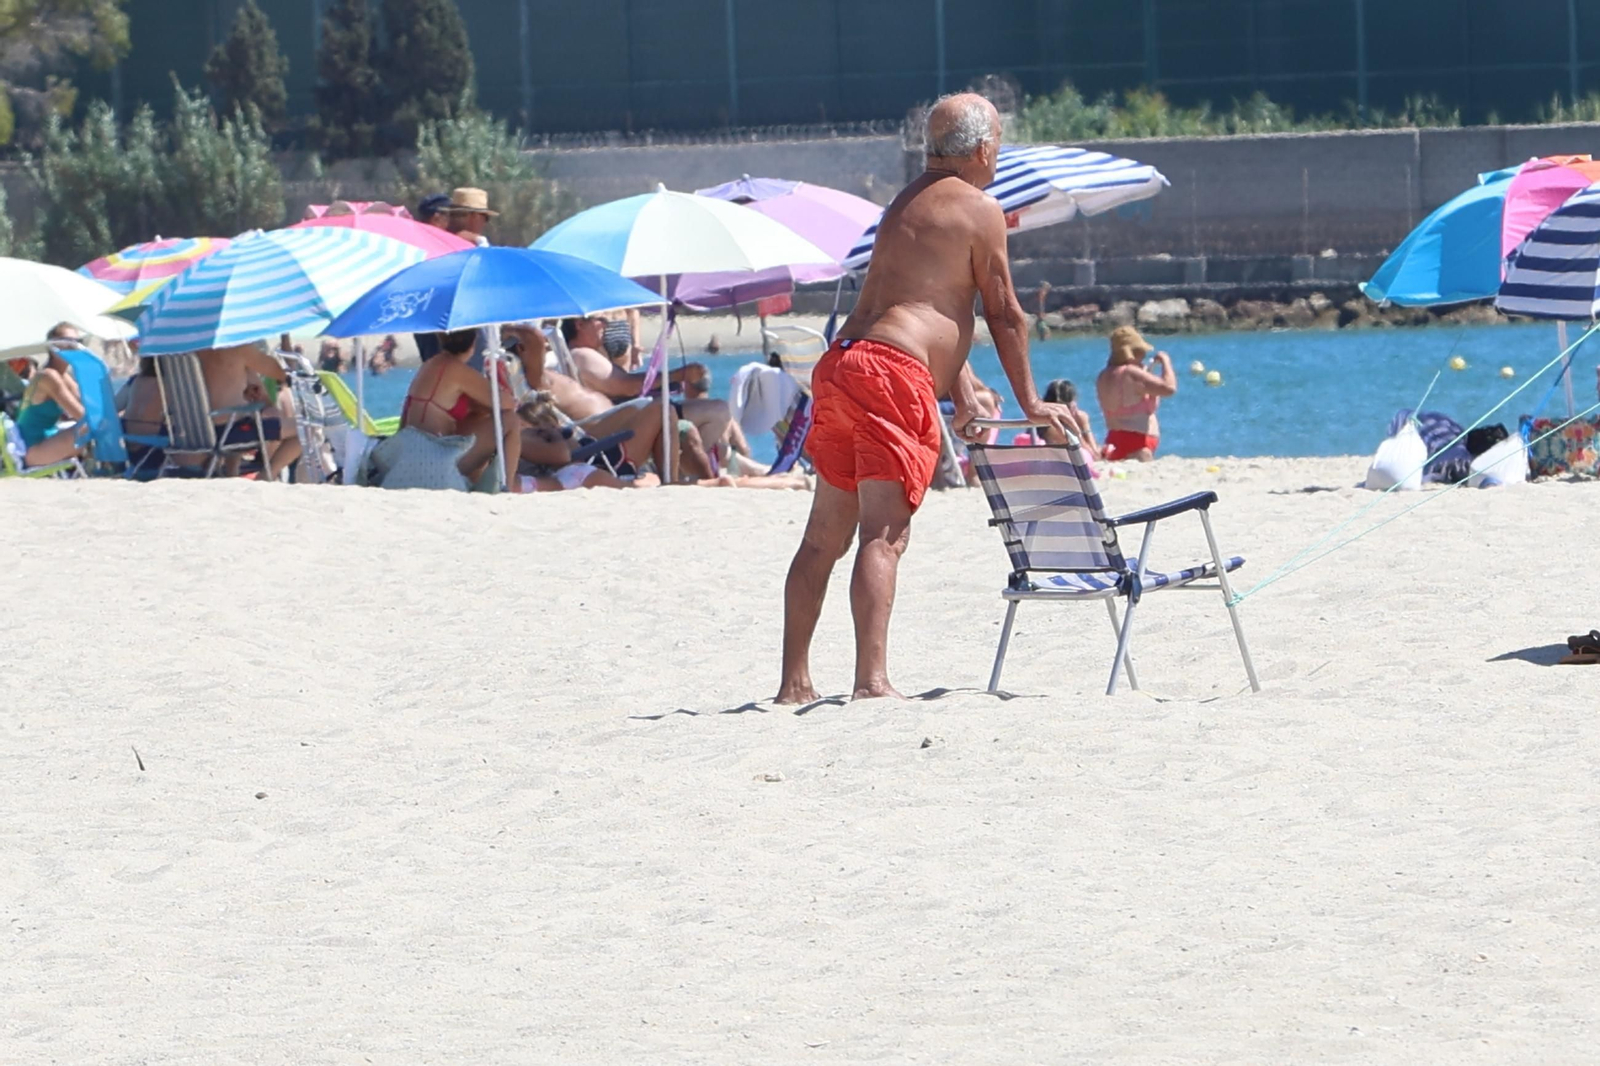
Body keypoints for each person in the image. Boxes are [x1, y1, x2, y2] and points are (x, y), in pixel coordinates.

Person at [775, 93, 1073, 704]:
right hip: (890, 375)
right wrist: (1032, 403)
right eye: (998, 144)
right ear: (984, 148)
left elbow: (930, 304)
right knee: (883, 537)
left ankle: (793, 683)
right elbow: (1002, 313)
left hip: (843, 365)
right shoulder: (979, 207)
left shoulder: (904, 202)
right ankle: (871, 683)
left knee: (820, 540)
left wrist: (960, 391)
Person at [503, 323, 709, 481]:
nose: (604, 323)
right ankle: (670, 482)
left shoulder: (532, 388)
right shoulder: (534, 386)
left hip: (594, 441)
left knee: (674, 418)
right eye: (598, 319)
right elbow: (536, 339)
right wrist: (512, 328)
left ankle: (680, 481)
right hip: (602, 457)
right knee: (664, 409)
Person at [561, 315, 743, 468]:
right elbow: (626, 386)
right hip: (630, 422)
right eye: (599, 319)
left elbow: (622, 387)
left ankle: (688, 466)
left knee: (715, 416)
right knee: (719, 411)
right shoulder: (582, 354)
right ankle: (688, 470)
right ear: (579, 324)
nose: (606, 324)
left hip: (626, 418)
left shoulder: (585, 354)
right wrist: (678, 374)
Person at [400, 328, 521, 492]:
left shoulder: (432, 364)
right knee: (510, 420)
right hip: (436, 457)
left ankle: (477, 484)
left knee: (477, 419)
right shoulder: (457, 370)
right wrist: (495, 377)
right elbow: (508, 404)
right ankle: (507, 487)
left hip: (411, 452)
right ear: (474, 342)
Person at [199, 344, 302, 480]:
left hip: (194, 431)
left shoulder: (188, 350)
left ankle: (231, 473)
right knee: (306, 429)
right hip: (227, 433)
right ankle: (266, 476)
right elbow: (281, 372)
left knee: (243, 416)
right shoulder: (237, 348)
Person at [10, 324, 88, 468]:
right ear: (53, 346)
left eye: (78, 343)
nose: (74, 347)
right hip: (32, 450)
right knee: (90, 428)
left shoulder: (64, 376)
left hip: (45, 443)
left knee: (97, 426)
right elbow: (82, 415)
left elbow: (88, 406)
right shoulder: (48, 377)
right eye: (67, 342)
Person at [1095, 326, 1175, 462]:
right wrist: (1166, 362)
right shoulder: (1130, 373)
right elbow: (1169, 388)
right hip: (1138, 442)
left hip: (1113, 439)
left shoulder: (1103, 376)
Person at [1040, 379, 1101, 459]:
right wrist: (1084, 425)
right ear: (1071, 404)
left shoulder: (1040, 424)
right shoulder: (1058, 429)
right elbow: (1094, 456)